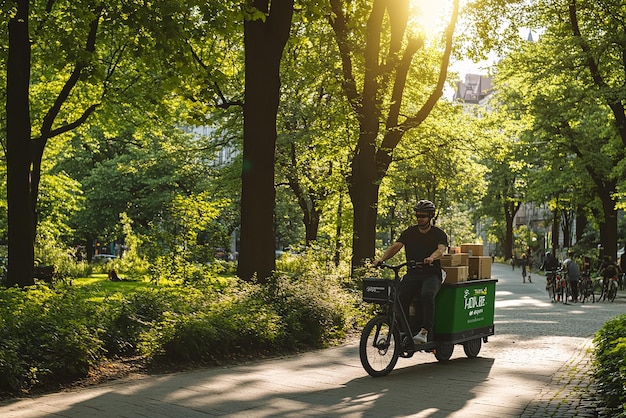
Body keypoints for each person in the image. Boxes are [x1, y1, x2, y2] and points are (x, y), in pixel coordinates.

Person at [373, 200, 448, 345]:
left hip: (431, 273)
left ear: (430, 216)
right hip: (413, 273)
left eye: (423, 216)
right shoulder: (409, 232)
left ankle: (425, 331)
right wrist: (381, 259)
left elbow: (441, 251)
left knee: (426, 295)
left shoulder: (438, 233)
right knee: (400, 297)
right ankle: (404, 330)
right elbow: (396, 247)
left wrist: (431, 258)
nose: (420, 218)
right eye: (418, 215)